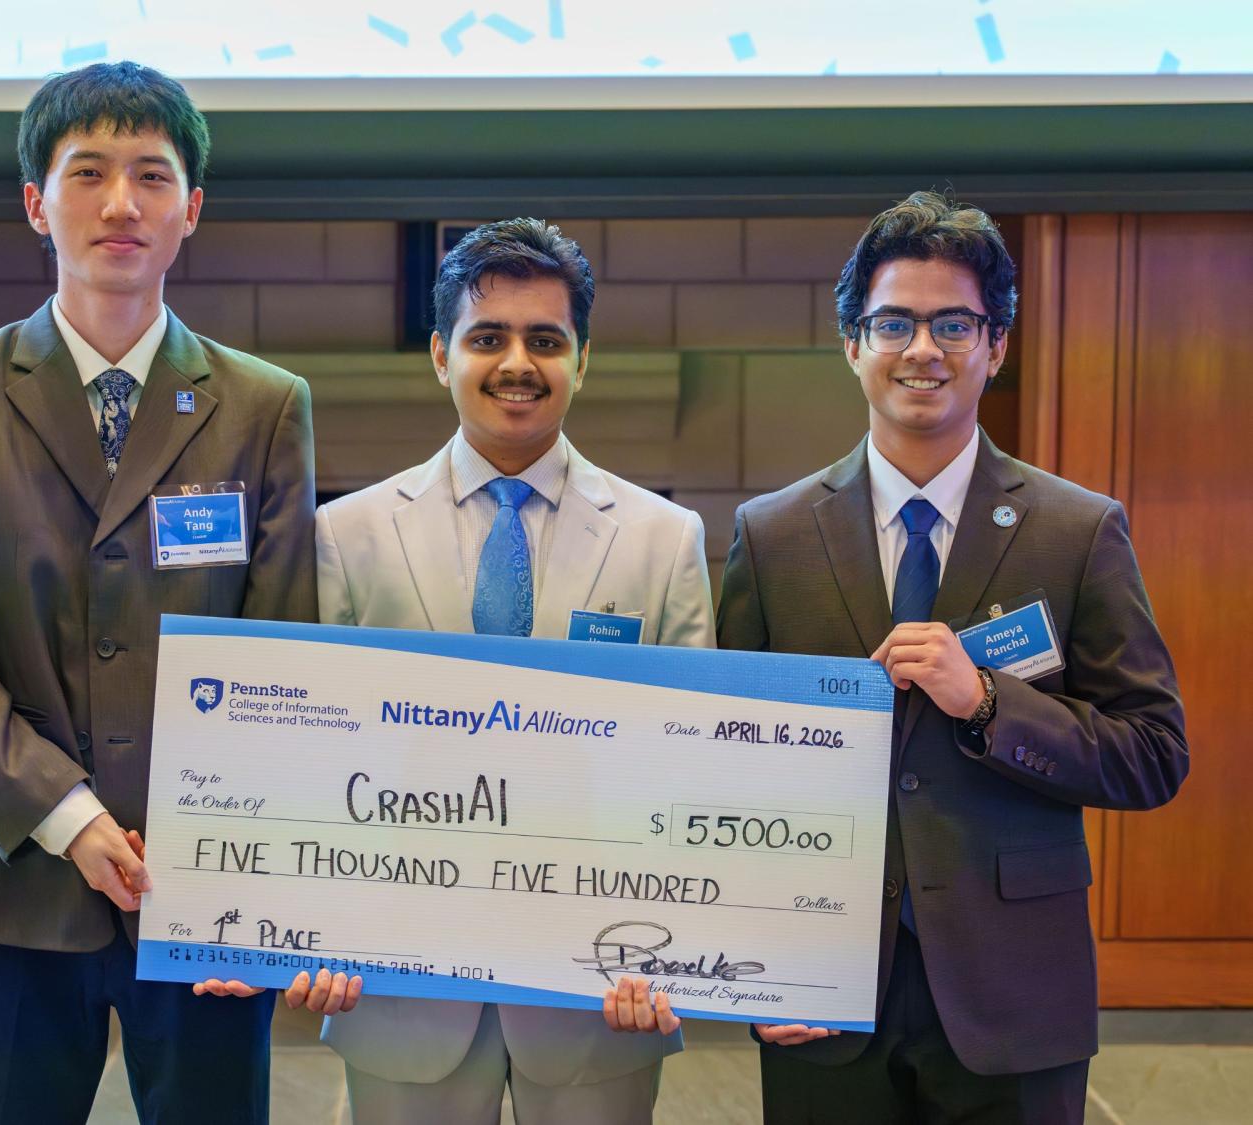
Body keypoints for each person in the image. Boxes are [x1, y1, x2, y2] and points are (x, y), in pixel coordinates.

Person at [0, 61, 324, 1124]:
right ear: (37, 203)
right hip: (14, 879)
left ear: (191, 211)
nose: (121, 203)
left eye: (151, 177)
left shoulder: (266, 405)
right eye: (88, 173)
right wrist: (70, 816)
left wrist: (221, 839)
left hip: (203, 882)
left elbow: (283, 642)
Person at [716, 190, 1188, 1123]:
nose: (922, 349)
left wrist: (986, 702)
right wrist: (750, 967)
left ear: (996, 345)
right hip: (822, 984)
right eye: (893, 322)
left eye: (954, 324)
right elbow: (733, 774)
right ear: (852, 343)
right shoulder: (769, 535)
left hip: (1011, 990)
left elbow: (1154, 753)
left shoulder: (1078, 530)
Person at [316, 217, 712, 1122]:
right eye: (487, 338)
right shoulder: (348, 534)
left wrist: (673, 951)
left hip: (599, 990)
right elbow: (317, 759)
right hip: (399, 986)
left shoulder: (663, 540)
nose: (517, 363)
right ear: (439, 354)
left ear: (583, 359)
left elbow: (690, 776)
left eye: (546, 340)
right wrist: (313, 931)